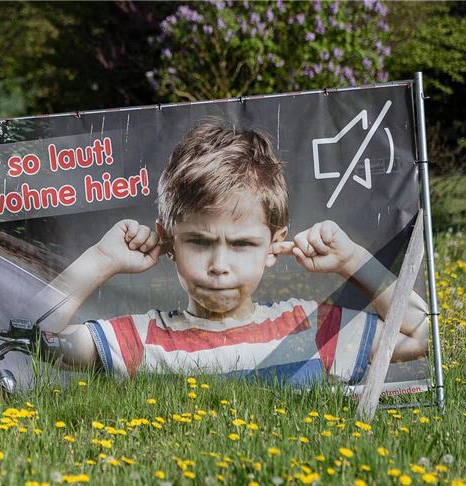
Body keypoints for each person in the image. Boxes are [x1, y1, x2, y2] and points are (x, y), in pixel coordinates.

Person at [38, 122, 429, 387]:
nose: (219, 266)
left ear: (274, 245)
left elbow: (421, 333)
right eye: (199, 242)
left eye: (242, 244)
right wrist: (102, 259)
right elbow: (36, 337)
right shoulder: (140, 340)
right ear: (169, 241)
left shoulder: (309, 327)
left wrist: (351, 260)